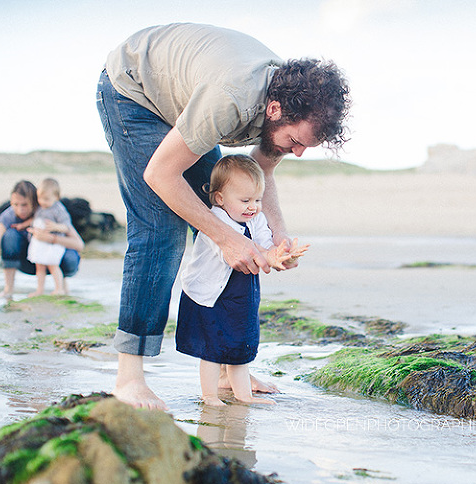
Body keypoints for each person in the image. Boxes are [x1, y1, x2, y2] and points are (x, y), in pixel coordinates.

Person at [96, 22, 350, 410]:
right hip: (133, 93)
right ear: (274, 109)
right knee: (161, 229)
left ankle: (222, 369)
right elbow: (160, 175)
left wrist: (278, 237)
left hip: (184, 103)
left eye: (306, 147)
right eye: (295, 142)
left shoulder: (292, 104)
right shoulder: (230, 100)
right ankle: (128, 376)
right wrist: (226, 238)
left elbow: (260, 174)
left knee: (226, 203)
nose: (297, 152)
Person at [176, 155, 308, 406]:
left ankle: (243, 395)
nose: (253, 206)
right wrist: (266, 255)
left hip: (240, 296)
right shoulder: (214, 223)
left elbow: (265, 246)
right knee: (212, 350)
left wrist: (281, 256)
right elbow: (239, 252)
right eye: (245, 200)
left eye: (257, 200)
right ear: (220, 199)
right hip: (210, 297)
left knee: (239, 346)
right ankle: (209, 396)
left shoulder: (255, 219)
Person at [0, 180, 84, 298]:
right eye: (15, 204)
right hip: (29, 261)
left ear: (35, 201)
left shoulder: (49, 210)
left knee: (71, 256)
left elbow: (79, 245)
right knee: (10, 235)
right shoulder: (9, 216)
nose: (20, 210)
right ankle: (8, 290)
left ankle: (61, 285)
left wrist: (51, 238)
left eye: (25, 205)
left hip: (52, 260)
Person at [27, 178, 72, 297]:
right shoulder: (41, 208)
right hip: (40, 243)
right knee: (39, 266)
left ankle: (59, 288)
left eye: (46, 199)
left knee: (53, 265)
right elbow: (36, 220)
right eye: (39, 198)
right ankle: (39, 290)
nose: (42, 202)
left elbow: (67, 226)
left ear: (56, 197)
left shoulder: (58, 209)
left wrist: (56, 226)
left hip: (53, 243)